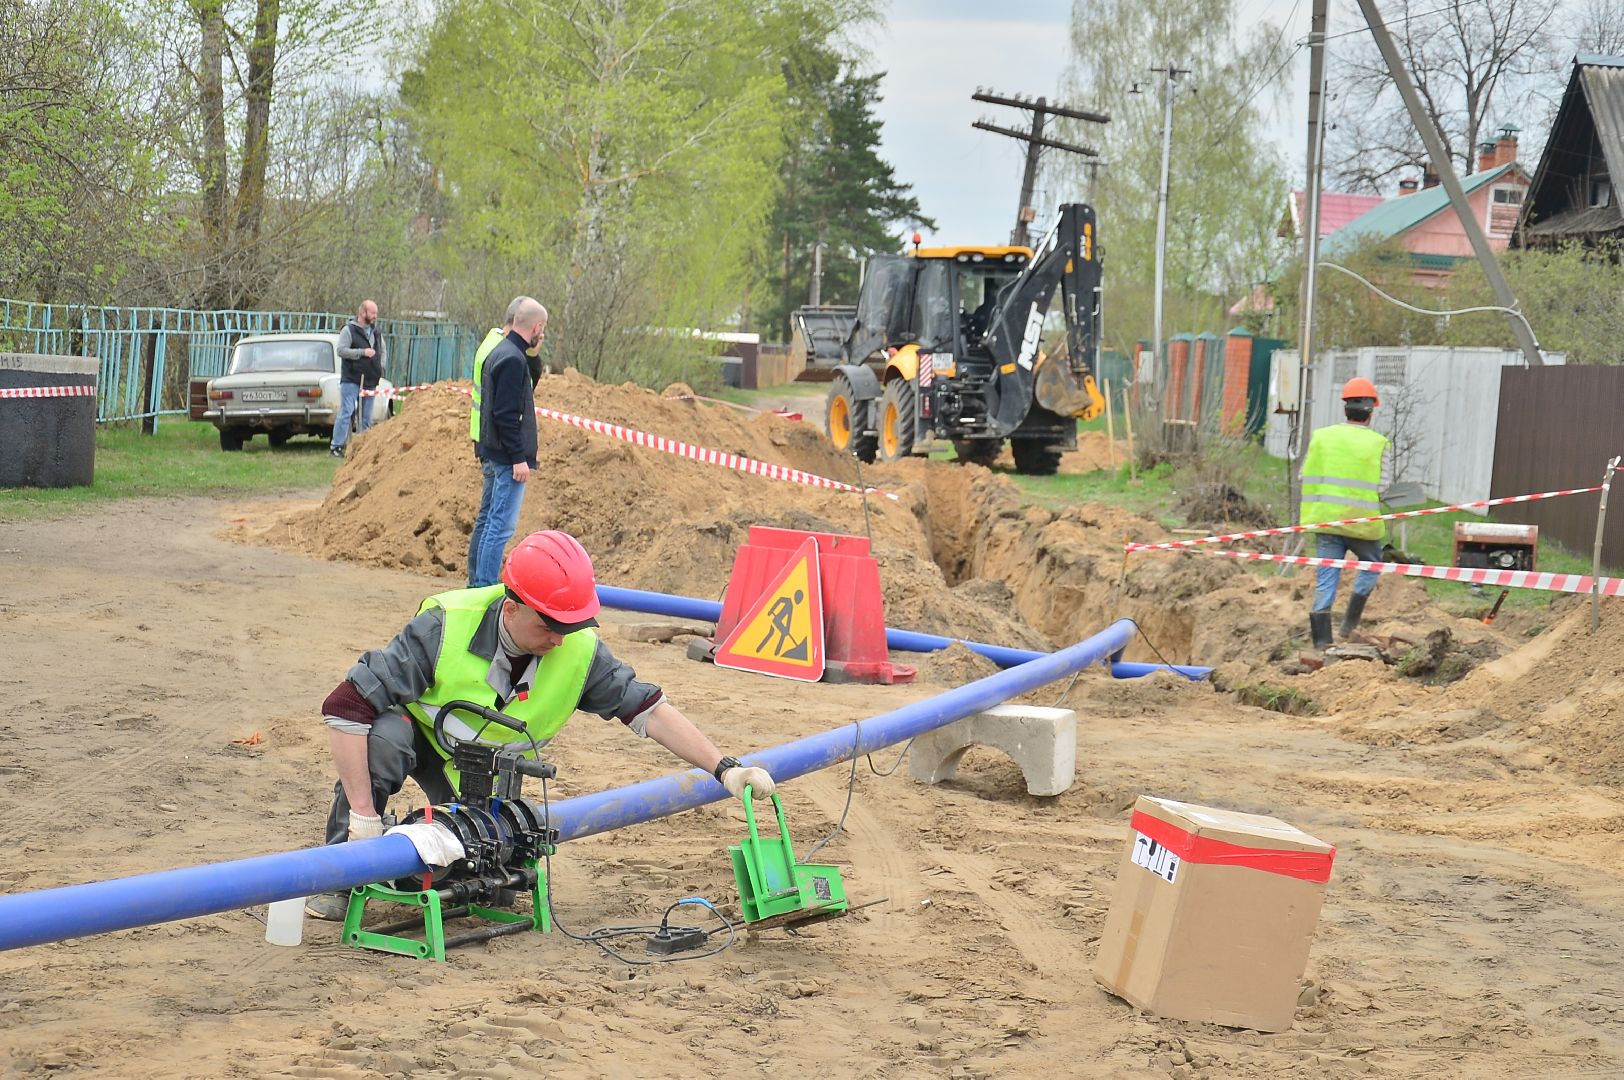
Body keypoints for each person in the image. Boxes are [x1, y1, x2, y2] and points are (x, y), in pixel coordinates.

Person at [305, 530, 776, 920]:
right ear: (510, 607)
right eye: (547, 624)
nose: (558, 637)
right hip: (421, 737)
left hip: (484, 772)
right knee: (384, 736)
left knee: (495, 887)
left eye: (568, 626)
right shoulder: (446, 625)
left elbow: (647, 709)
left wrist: (725, 769)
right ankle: (340, 874)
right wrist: (365, 819)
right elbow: (346, 705)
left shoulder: (577, 648)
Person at [1299, 376, 1391, 650]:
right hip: (1362, 526)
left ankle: (1321, 644)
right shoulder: (1379, 443)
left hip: (1326, 521)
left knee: (1326, 578)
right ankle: (1349, 625)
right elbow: (1382, 487)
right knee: (1371, 565)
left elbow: (1305, 475)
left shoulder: (1321, 437)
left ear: (1345, 408)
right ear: (1370, 411)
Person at [468, 297, 547, 588]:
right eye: (543, 329)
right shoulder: (512, 360)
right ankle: (484, 588)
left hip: (493, 451)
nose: (542, 334)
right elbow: (505, 414)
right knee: (499, 527)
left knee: (489, 521)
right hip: (505, 458)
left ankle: (477, 584)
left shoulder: (501, 351)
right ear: (536, 326)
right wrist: (518, 458)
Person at [331, 300, 386, 458]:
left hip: (370, 379)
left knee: (367, 415)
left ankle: (363, 448)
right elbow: (341, 350)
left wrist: (380, 367)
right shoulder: (349, 330)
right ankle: (337, 446)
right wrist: (361, 352)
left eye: (376, 313)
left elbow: (382, 351)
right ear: (363, 313)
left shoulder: (376, 332)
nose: (375, 316)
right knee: (347, 411)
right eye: (373, 313)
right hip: (351, 378)